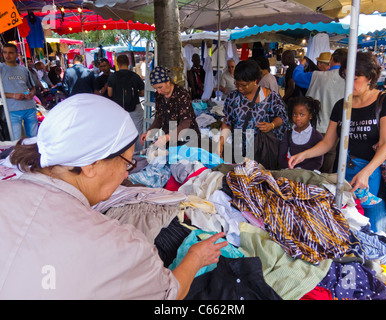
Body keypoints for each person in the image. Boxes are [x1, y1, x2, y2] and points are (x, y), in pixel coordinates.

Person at [0, 93, 227, 299]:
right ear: (91, 165)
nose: (126, 174)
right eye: (128, 163)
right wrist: (196, 257)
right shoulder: (120, 246)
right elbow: (169, 295)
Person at [288, 51, 386, 233]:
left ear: (370, 77)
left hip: (373, 174)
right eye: (346, 78)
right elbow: (328, 142)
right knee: (345, 226)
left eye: (355, 78)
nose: (349, 83)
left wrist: (366, 172)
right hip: (344, 171)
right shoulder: (342, 104)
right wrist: (303, 155)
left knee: (371, 229)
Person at [217, 59, 289, 163]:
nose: (240, 88)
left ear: (255, 80)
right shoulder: (233, 97)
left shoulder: (270, 97)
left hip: (260, 149)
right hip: (238, 147)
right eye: (237, 84)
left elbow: (282, 117)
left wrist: (271, 125)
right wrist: (221, 143)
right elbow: (227, 122)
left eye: (244, 85)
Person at [293, 48, 348, 173]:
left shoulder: (316, 76)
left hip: (315, 127)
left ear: (332, 60)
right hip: (337, 129)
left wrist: (301, 65)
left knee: (310, 161)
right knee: (329, 160)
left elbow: (297, 76)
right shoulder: (350, 80)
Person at [140, 66, 200, 147]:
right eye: (156, 88)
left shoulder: (182, 94)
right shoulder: (158, 96)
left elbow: (186, 122)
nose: (159, 91)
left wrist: (168, 137)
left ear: (168, 82)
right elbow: (159, 118)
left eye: (160, 87)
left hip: (188, 138)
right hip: (170, 138)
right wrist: (150, 131)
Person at [0, 43, 38, 140]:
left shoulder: (24, 69)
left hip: (29, 107)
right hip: (12, 110)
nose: (7, 55)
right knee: (16, 140)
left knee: (34, 138)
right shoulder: (1, 68)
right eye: (5, 52)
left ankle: (34, 155)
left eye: (11, 53)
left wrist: (31, 93)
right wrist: (13, 95)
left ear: (17, 54)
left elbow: (32, 88)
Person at [107, 54, 144, 152]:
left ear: (117, 64)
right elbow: (143, 92)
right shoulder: (135, 76)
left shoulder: (113, 77)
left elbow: (110, 93)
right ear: (128, 63)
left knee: (120, 131)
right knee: (138, 130)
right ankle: (139, 153)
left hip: (118, 109)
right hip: (135, 106)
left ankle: (123, 153)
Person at [278, 96, 323, 170]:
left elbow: (317, 162)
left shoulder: (316, 136)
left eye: (302, 115)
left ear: (310, 116)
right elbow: (281, 158)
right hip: (289, 173)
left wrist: (300, 170)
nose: (298, 118)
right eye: (295, 114)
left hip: (308, 175)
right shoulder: (288, 134)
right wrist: (290, 169)